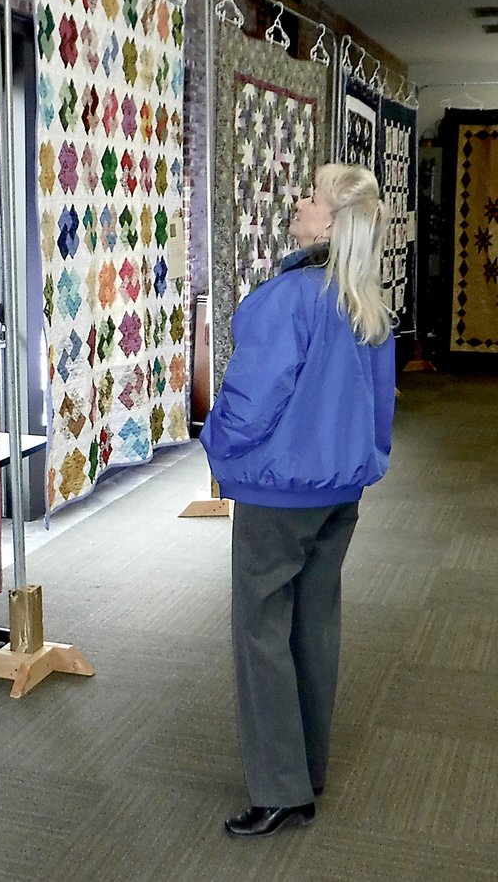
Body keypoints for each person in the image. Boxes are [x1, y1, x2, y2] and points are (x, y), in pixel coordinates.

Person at [200, 163, 396, 838]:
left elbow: (250, 402)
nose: (299, 204)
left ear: (334, 222)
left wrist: (217, 446)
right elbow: (378, 409)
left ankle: (280, 788)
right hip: (341, 491)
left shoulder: (287, 299)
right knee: (315, 625)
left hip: (279, 493)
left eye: (311, 198)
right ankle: (306, 771)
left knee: (260, 632)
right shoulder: (367, 304)